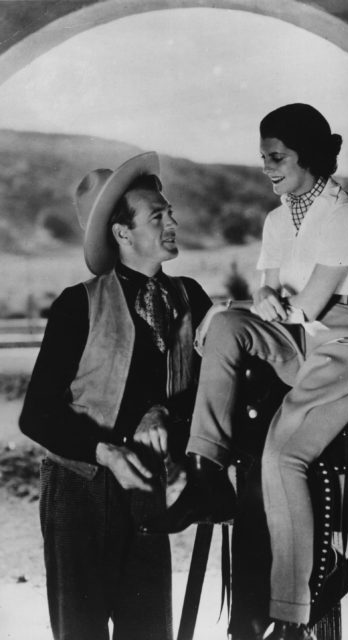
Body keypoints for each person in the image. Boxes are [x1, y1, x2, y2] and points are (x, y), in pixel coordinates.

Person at [164, 104, 348, 639]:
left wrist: (243, 307)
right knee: (224, 331)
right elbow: (268, 290)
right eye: (263, 157)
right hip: (298, 336)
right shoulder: (276, 217)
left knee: (283, 455)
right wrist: (251, 302)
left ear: (307, 156)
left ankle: (290, 611)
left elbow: (309, 307)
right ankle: (205, 473)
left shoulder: (345, 215)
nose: (267, 166)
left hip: (346, 339)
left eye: (277, 157)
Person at [19, 152, 213, 640]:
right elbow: (36, 415)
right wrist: (106, 449)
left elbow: (211, 390)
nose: (173, 221)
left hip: (150, 487)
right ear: (123, 234)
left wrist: (164, 416)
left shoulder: (191, 297)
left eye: (169, 211)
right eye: (158, 215)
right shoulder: (76, 305)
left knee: (149, 631)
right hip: (80, 492)